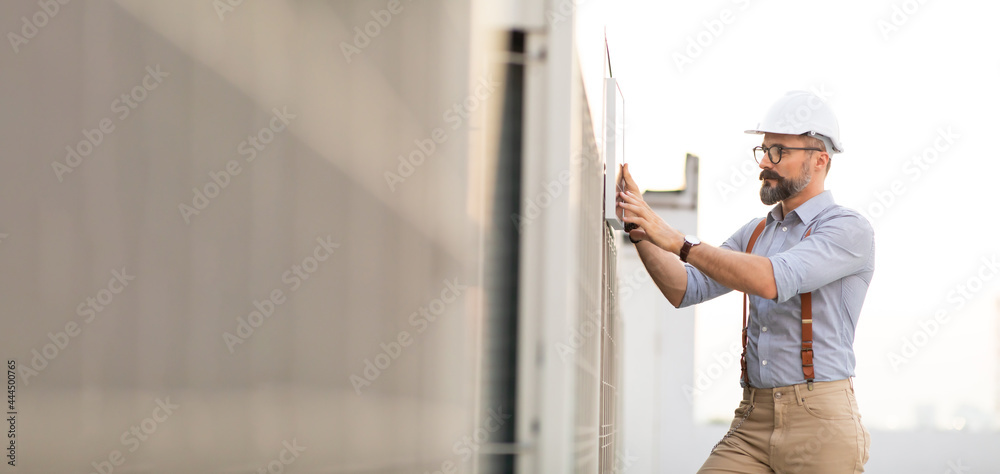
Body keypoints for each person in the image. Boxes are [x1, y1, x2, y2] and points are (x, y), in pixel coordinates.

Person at [617, 91, 874, 473]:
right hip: (754, 415)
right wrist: (640, 229)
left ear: (819, 160)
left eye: (779, 152)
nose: (765, 163)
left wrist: (678, 240)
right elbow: (683, 288)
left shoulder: (846, 229)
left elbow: (774, 279)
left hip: (820, 423)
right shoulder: (755, 234)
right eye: (764, 150)